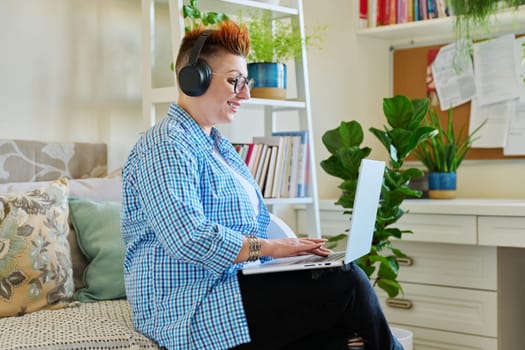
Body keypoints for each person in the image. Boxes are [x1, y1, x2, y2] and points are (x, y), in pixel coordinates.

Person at [120, 20, 403, 350]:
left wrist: (294, 255)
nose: (246, 94)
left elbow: (256, 226)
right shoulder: (165, 144)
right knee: (348, 282)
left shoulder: (221, 149)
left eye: (246, 81)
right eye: (234, 81)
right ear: (194, 79)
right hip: (188, 308)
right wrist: (271, 249)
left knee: (346, 338)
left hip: (230, 288)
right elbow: (187, 237)